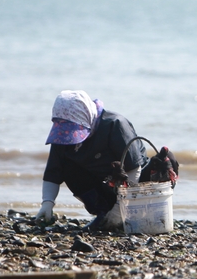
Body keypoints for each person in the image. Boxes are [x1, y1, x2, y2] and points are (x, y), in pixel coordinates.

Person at [36, 90, 146, 231]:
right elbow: (53, 171)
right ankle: (103, 213)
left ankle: (123, 215)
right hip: (100, 188)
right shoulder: (61, 136)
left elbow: (134, 167)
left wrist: (120, 209)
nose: (69, 137)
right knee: (69, 167)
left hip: (131, 184)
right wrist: (47, 204)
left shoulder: (115, 124)